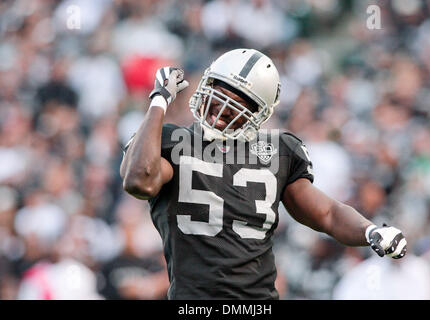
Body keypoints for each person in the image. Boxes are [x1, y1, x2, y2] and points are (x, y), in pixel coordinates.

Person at [120, 48, 407, 299]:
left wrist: (370, 230)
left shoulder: (279, 150)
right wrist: (159, 100)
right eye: (217, 94)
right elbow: (139, 180)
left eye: (236, 104)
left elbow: (326, 213)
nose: (219, 111)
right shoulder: (174, 140)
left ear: (259, 112)